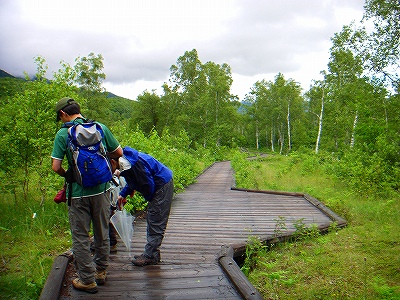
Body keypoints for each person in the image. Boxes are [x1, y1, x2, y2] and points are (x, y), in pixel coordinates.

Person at [51, 97, 122, 293]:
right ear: (78, 110)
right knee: (101, 231)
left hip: (78, 194)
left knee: (80, 236)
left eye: (60, 118)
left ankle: (87, 279)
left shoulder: (63, 134)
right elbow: (119, 152)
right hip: (101, 190)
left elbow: (56, 166)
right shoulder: (100, 127)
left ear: (63, 114)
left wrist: (68, 175)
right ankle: (101, 271)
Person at [110, 146, 174, 266]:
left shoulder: (134, 165)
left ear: (113, 162)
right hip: (158, 184)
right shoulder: (127, 161)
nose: (113, 172)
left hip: (162, 184)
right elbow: (133, 181)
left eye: (111, 168)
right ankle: (153, 254)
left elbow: (147, 185)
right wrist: (123, 194)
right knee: (153, 217)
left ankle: (149, 255)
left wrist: (152, 203)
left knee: (156, 219)